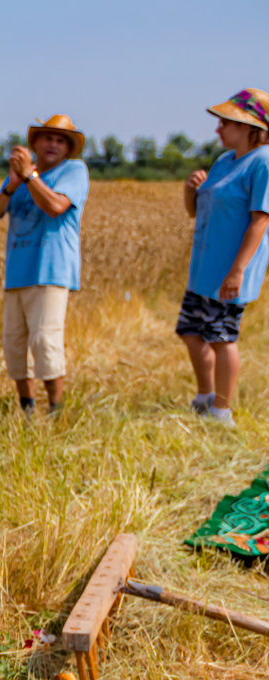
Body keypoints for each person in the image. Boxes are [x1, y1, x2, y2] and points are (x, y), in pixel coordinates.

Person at [0, 115, 91, 416]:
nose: (53, 144)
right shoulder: (20, 178)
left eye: (60, 140)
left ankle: (57, 410)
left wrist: (29, 177)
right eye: (47, 138)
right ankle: (27, 411)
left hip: (52, 270)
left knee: (45, 340)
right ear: (36, 144)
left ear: (68, 148)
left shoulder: (74, 171)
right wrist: (11, 187)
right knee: (15, 344)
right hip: (18, 271)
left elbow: (56, 206)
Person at [178, 88, 269, 427]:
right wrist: (190, 191)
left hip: (229, 272)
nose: (217, 130)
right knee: (191, 331)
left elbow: (261, 219)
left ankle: (222, 410)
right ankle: (203, 396)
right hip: (204, 268)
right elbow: (195, 212)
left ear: (247, 126)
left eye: (224, 123)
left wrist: (238, 270)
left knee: (222, 336)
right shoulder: (221, 162)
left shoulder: (263, 162)